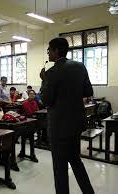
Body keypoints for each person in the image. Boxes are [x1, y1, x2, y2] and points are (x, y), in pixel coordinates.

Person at [40, 37, 94, 194]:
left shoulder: (51, 72)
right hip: (76, 124)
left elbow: (46, 100)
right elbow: (88, 92)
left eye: (49, 49)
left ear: (56, 51)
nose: (48, 52)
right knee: (76, 160)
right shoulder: (80, 66)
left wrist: (44, 81)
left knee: (60, 167)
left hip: (58, 127)